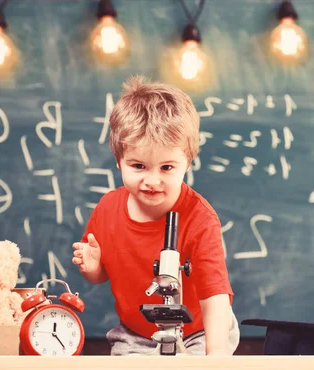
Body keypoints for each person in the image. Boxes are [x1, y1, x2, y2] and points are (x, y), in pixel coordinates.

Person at [72, 75, 239, 356]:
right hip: (135, 335)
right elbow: (101, 276)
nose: (152, 180)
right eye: (138, 166)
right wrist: (93, 268)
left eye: (166, 168)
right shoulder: (107, 209)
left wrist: (216, 355)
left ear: (188, 160)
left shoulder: (200, 219)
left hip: (198, 333)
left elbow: (215, 296)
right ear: (118, 160)